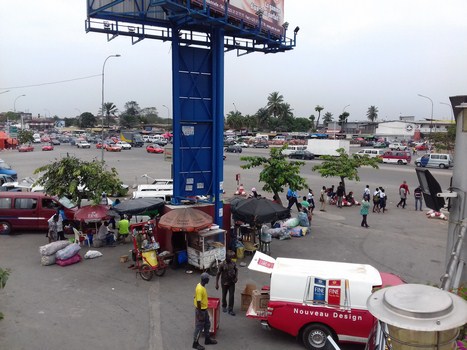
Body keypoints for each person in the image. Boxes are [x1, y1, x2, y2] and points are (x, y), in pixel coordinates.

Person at [193, 272, 217, 350]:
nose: (209, 279)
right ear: (205, 279)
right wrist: (200, 312)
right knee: (199, 327)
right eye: (208, 278)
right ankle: (195, 343)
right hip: (201, 310)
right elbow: (199, 301)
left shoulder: (200, 286)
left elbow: (195, 297)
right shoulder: (200, 289)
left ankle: (207, 339)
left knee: (207, 324)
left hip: (204, 309)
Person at [215, 251, 238, 316]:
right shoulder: (222, 264)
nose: (230, 258)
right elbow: (218, 274)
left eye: (231, 257)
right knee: (224, 295)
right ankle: (224, 306)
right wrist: (217, 284)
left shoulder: (233, 263)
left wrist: (236, 277)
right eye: (229, 257)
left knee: (231, 296)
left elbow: (236, 270)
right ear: (226, 257)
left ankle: (230, 309)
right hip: (224, 282)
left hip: (232, 282)